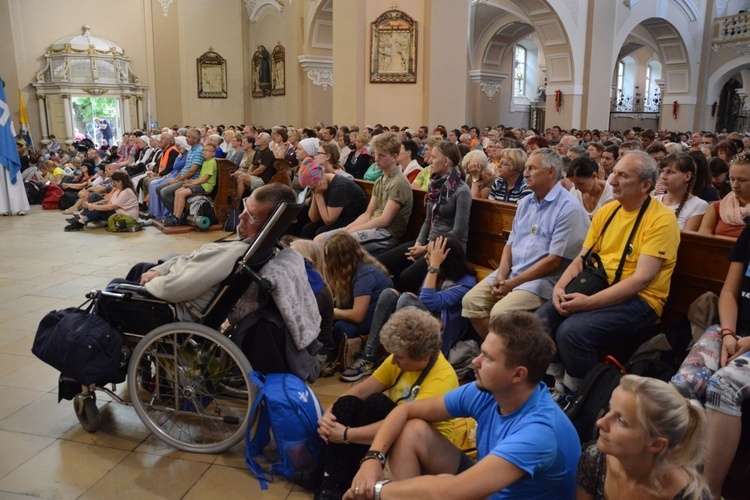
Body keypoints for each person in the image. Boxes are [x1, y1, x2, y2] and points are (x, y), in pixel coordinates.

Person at [346, 311, 581, 500]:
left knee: (442, 489)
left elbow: (451, 491)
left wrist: (374, 490)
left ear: (518, 374)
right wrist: (373, 459)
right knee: (411, 429)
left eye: (488, 358)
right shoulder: (486, 391)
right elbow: (405, 410)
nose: (475, 362)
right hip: (490, 488)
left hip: (486, 490)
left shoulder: (538, 433)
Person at [536, 150, 680, 396]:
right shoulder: (608, 211)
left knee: (572, 332)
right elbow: (582, 259)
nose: (612, 181)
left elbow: (642, 279)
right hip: (600, 284)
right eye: (614, 173)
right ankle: (562, 384)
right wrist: (559, 288)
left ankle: (586, 398)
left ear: (646, 185)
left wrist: (589, 303)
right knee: (540, 320)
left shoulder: (662, 220)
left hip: (641, 301)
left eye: (623, 176)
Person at [310, 307, 458, 499]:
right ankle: (331, 478)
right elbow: (361, 390)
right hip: (393, 431)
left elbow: (401, 425)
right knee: (348, 404)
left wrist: (346, 435)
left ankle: (338, 479)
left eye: (400, 357)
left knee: (377, 404)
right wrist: (329, 414)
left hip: (419, 451)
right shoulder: (400, 358)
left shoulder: (442, 381)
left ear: (424, 356)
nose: (394, 361)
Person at [462, 148, 590, 338]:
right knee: (471, 301)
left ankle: (505, 359)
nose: (526, 173)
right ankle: (498, 353)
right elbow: (510, 244)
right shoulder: (525, 203)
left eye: (531, 168)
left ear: (550, 172)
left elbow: (554, 261)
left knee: (500, 313)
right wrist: (501, 277)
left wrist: (512, 283)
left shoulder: (568, 208)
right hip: (515, 272)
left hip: (544, 281)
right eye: (526, 168)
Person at [119, 184, 296, 320]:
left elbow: (174, 288)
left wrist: (153, 281)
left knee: (112, 292)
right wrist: (161, 269)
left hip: (175, 308)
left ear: (269, 226)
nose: (241, 216)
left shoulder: (234, 255)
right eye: (245, 206)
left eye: (251, 216)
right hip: (179, 282)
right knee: (140, 268)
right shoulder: (257, 247)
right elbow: (191, 260)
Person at [670, 224, 750, 498]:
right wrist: (728, 333)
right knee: (683, 384)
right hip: (732, 330)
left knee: (723, 386)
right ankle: (672, 476)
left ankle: (709, 492)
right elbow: (728, 292)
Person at [343, 236, 477, 381]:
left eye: (430, 254)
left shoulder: (465, 283)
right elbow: (424, 299)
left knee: (407, 299)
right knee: (389, 294)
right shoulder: (438, 273)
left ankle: (397, 359)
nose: (425, 256)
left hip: (439, 338)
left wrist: (434, 266)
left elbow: (427, 300)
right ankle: (369, 356)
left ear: (445, 259)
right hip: (426, 323)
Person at [578, 375, 709, 500]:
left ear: (656, 444)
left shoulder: (689, 496)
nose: (600, 422)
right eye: (609, 409)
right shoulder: (594, 460)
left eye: (621, 421)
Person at [378, 140, 472, 294]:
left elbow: (458, 231)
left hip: (448, 249)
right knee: (382, 262)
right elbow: (428, 221)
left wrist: (425, 248)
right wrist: (419, 243)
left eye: (434, 157)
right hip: (429, 243)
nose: (429, 161)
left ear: (446, 161)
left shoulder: (462, 191)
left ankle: (404, 304)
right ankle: (389, 299)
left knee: (407, 276)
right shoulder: (434, 186)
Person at [317, 132, 413, 256]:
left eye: (382, 155)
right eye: (376, 154)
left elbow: (385, 220)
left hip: (387, 233)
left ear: (394, 157)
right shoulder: (379, 180)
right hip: (374, 226)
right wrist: (348, 228)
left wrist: (352, 230)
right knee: (319, 240)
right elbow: (368, 213)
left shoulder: (398, 182)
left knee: (337, 245)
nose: (376, 159)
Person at [325, 232, 393, 347]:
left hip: (375, 322)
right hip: (363, 316)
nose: (326, 260)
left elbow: (357, 316)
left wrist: (332, 312)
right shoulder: (352, 269)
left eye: (328, 256)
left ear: (338, 259)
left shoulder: (364, 275)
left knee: (340, 328)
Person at [298, 160, 368, 239]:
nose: (312, 189)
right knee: (308, 229)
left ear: (320, 178)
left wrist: (319, 195)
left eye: (312, 186)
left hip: (354, 218)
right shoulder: (319, 187)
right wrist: (315, 194)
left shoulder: (339, 186)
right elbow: (314, 218)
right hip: (339, 217)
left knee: (320, 232)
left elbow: (329, 220)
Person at [164, 142, 218, 226]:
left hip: (206, 187)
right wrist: (191, 182)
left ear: (213, 153)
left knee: (182, 193)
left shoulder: (211, 162)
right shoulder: (205, 162)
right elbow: (200, 177)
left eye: (208, 151)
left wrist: (190, 185)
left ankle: (178, 217)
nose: (205, 152)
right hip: (200, 184)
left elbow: (204, 179)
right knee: (177, 191)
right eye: (204, 150)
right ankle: (174, 215)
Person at [64, 171, 138, 231]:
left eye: (114, 182)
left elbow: (111, 207)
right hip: (119, 213)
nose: (113, 184)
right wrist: (90, 205)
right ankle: (81, 220)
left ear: (120, 181)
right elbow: (107, 201)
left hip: (126, 217)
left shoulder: (127, 191)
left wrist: (92, 206)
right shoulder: (119, 190)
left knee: (98, 208)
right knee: (98, 205)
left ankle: (81, 222)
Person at [698, 152, 750, 237]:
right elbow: (702, 241)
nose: (735, 185)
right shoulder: (717, 208)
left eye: (742, 180)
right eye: (732, 179)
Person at [655, 154, 708, 231]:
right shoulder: (653, 200)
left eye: (670, 172)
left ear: (687, 176)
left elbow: (686, 238)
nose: (663, 176)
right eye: (662, 171)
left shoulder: (698, 205)